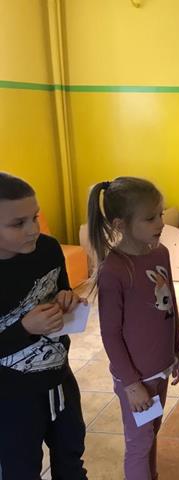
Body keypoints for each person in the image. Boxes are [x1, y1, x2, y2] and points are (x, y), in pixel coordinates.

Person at [88, 177, 179, 480]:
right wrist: (131, 385)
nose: (161, 223)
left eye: (161, 214)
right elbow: (110, 334)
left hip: (161, 368)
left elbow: (170, 306)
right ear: (121, 224)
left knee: (151, 433)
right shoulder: (114, 269)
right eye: (150, 218)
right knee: (139, 443)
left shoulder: (161, 253)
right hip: (136, 378)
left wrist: (177, 350)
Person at [0, 172, 87, 479]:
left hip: (59, 377)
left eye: (35, 217)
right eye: (18, 223)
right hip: (11, 398)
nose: (33, 230)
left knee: (71, 456)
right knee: (21, 469)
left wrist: (66, 298)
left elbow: (60, 289)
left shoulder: (48, 248)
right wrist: (25, 327)